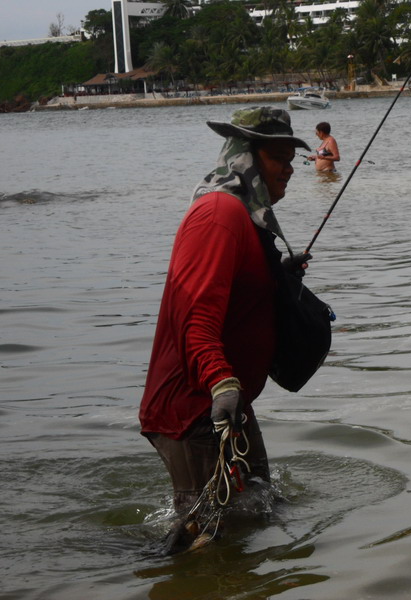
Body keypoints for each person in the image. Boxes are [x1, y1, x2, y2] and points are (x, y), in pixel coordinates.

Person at [139, 106, 312, 550]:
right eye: (279, 157)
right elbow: (196, 315)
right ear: (246, 159)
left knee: (259, 511)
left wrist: (278, 275)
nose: (289, 169)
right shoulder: (219, 215)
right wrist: (221, 382)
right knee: (207, 539)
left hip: (226, 401)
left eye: (292, 159)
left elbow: (235, 291)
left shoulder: (247, 220)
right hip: (198, 405)